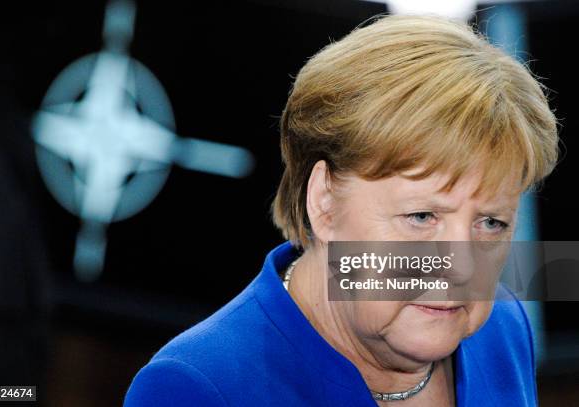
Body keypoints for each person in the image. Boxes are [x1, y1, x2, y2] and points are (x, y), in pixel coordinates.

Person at [124, 13, 559, 406]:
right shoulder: (195, 388)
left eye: (490, 223)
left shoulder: (502, 327)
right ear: (325, 203)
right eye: (422, 217)